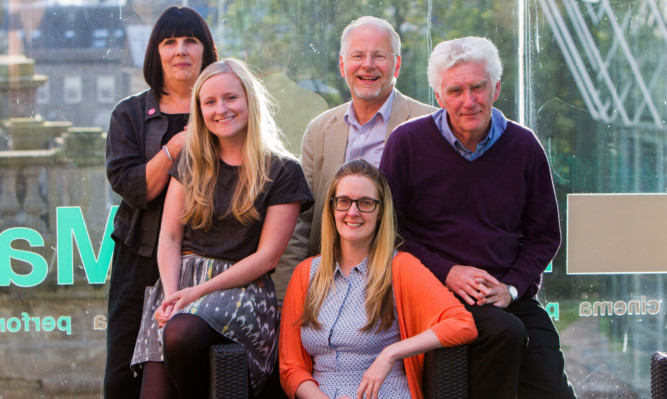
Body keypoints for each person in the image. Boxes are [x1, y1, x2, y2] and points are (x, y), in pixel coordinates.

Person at [379, 37, 577, 398]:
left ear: (496, 88)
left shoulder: (524, 145)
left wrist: (512, 287)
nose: (468, 101)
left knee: (551, 382)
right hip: (434, 292)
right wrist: (448, 272)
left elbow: (545, 236)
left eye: (478, 87)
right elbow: (390, 231)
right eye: (455, 90)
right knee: (505, 333)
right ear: (439, 96)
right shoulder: (406, 142)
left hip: (506, 292)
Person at [129, 59, 313, 398]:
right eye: (209, 102)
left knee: (181, 333)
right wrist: (172, 295)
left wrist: (196, 294)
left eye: (230, 98)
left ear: (249, 100)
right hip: (179, 283)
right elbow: (169, 237)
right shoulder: (191, 162)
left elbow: (268, 257)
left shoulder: (283, 170)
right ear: (199, 111)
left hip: (242, 289)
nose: (221, 109)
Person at [279, 159, 477, 399]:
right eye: (343, 202)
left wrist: (390, 354)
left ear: (381, 211)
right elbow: (291, 366)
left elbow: (462, 324)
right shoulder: (306, 273)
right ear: (332, 208)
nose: (353, 212)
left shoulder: (400, 267)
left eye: (365, 203)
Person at [273, 15, 437, 302]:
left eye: (379, 56)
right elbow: (301, 219)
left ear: (396, 64)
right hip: (332, 280)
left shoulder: (429, 124)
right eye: (358, 56)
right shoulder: (319, 130)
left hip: (404, 280)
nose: (368, 64)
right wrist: (289, 296)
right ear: (342, 65)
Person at [104, 6, 217, 398]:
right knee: (122, 378)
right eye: (170, 42)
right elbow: (134, 188)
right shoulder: (130, 114)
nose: (181, 50)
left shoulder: (224, 109)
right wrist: (175, 146)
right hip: (139, 259)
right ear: (156, 52)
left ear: (206, 51)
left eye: (191, 41)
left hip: (207, 262)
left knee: (190, 374)